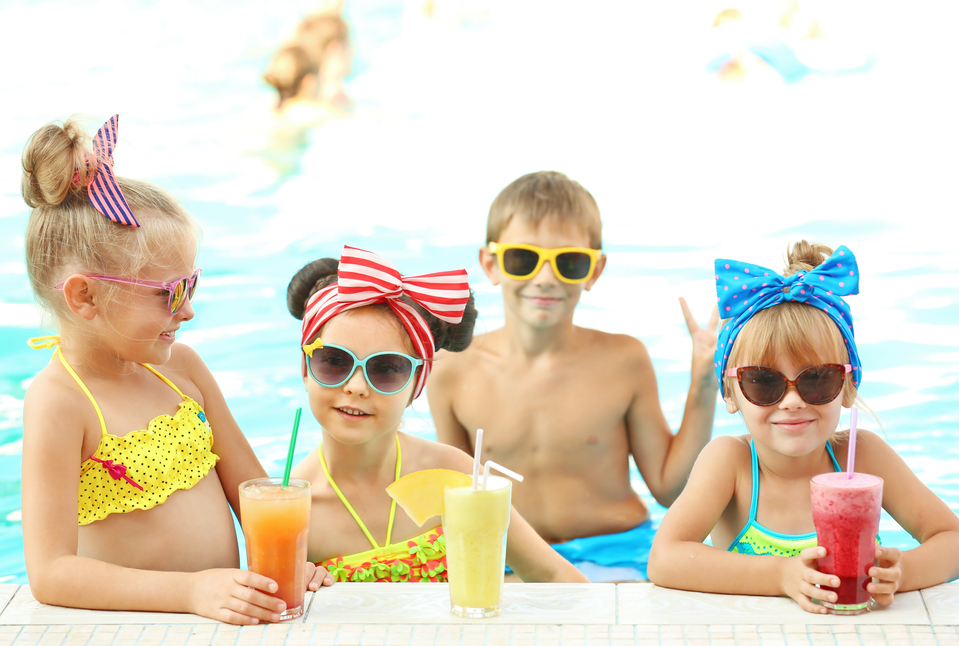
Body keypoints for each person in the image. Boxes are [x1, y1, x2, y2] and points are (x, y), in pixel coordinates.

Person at [19, 115, 330, 625]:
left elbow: (253, 491)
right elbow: (51, 573)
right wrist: (190, 592)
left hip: (227, 616)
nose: (187, 311)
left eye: (193, 285)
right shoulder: (61, 401)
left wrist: (295, 556)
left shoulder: (181, 369)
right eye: (171, 293)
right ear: (85, 296)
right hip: (137, 629)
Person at [647, 241, 959, 612]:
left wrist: (902, 572)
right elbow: (664, 559)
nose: (792, 401)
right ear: (731, 392)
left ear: (848, 387)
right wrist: (780, 576)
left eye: (817, 379)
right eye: (763, 381)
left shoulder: (864, 456)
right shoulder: (732, 465)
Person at [428, 171, 719, 581]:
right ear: (491, 264)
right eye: (523, 258)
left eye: (569, 262)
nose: (545, 278)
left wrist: (703, 381)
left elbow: (670, 490)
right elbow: (455, 501)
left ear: (594, 270)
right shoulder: (451, 370)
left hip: (621, 553)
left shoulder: (623, 359)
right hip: (512, 560)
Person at [287, 246, 588, 583]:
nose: (356, 386)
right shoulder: (291, 510)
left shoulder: (453, 474)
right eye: (334, 361)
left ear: (417, 383)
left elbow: (550, 573)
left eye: (386, 368)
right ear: (304, 367)